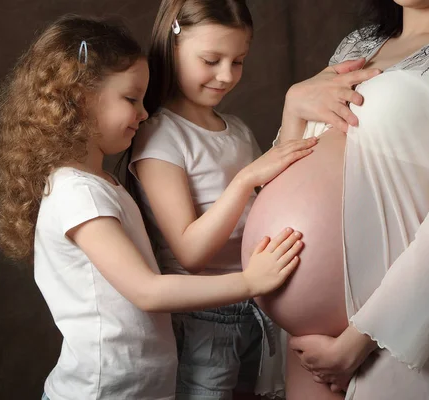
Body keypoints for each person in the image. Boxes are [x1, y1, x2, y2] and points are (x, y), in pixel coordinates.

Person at [0, 14, 307, 400]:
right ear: (80, 99)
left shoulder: (102, 184)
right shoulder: (76, 193)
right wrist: (250, 282)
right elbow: (147, 291)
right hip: (98, 392)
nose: (143, 112)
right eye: (130, 99)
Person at [276, 0, 429, 399]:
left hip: (394, 339)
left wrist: (355, 343)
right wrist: (292, 110)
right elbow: (285, 173)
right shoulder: (355, 45)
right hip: (308, 345)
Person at [127, 1, 325, 399]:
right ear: (172, 45)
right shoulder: (159, 135)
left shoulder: (235, 129)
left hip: (258, 307)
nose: (226, 75)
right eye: (211, 59)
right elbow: (190, 252)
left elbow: (265, 206)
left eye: (238, 61)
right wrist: (247, 178)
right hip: (203, 320)